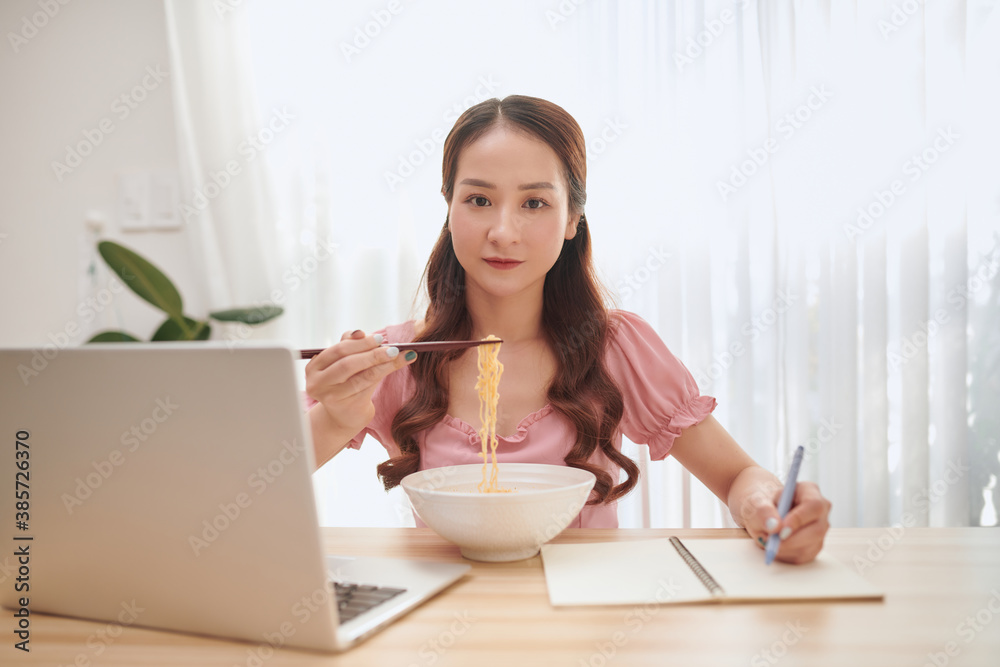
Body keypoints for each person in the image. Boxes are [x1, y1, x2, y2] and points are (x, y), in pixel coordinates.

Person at [305, 95, 831, 564]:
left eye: (534, 203)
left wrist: (768, 505)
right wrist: (336, 415)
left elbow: (739, 476)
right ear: (449, 209)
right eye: (478, 200)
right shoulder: (397, 359)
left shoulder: (617, 347)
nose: (502, 231)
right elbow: (250, 495)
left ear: (573, 217)